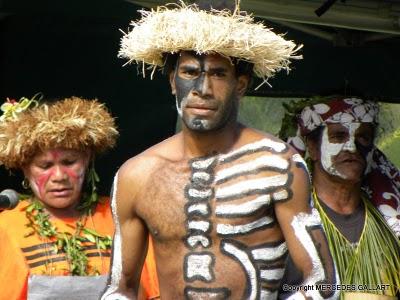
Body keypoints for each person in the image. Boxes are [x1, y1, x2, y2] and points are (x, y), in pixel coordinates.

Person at [102, 2, 339, 299]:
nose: (202, 88)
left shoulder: (278, 165)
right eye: (189, 72)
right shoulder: (135, 176)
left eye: (218, 74)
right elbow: (120, 288)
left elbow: (323, 281)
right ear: (173, 81)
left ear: (240, 84)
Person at [0, 96, 159, 300]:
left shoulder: (119, 215)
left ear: (87, 160)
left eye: (69, 162)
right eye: (45, 166)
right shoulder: (8, 225)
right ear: (24, 167)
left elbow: (155, 292)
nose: (59, 176)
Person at [279, 96, 400, 299]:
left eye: (363, 137)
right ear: (313, 148)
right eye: (338, 136)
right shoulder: (290, 219)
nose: (352, 147)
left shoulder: (391, 223)